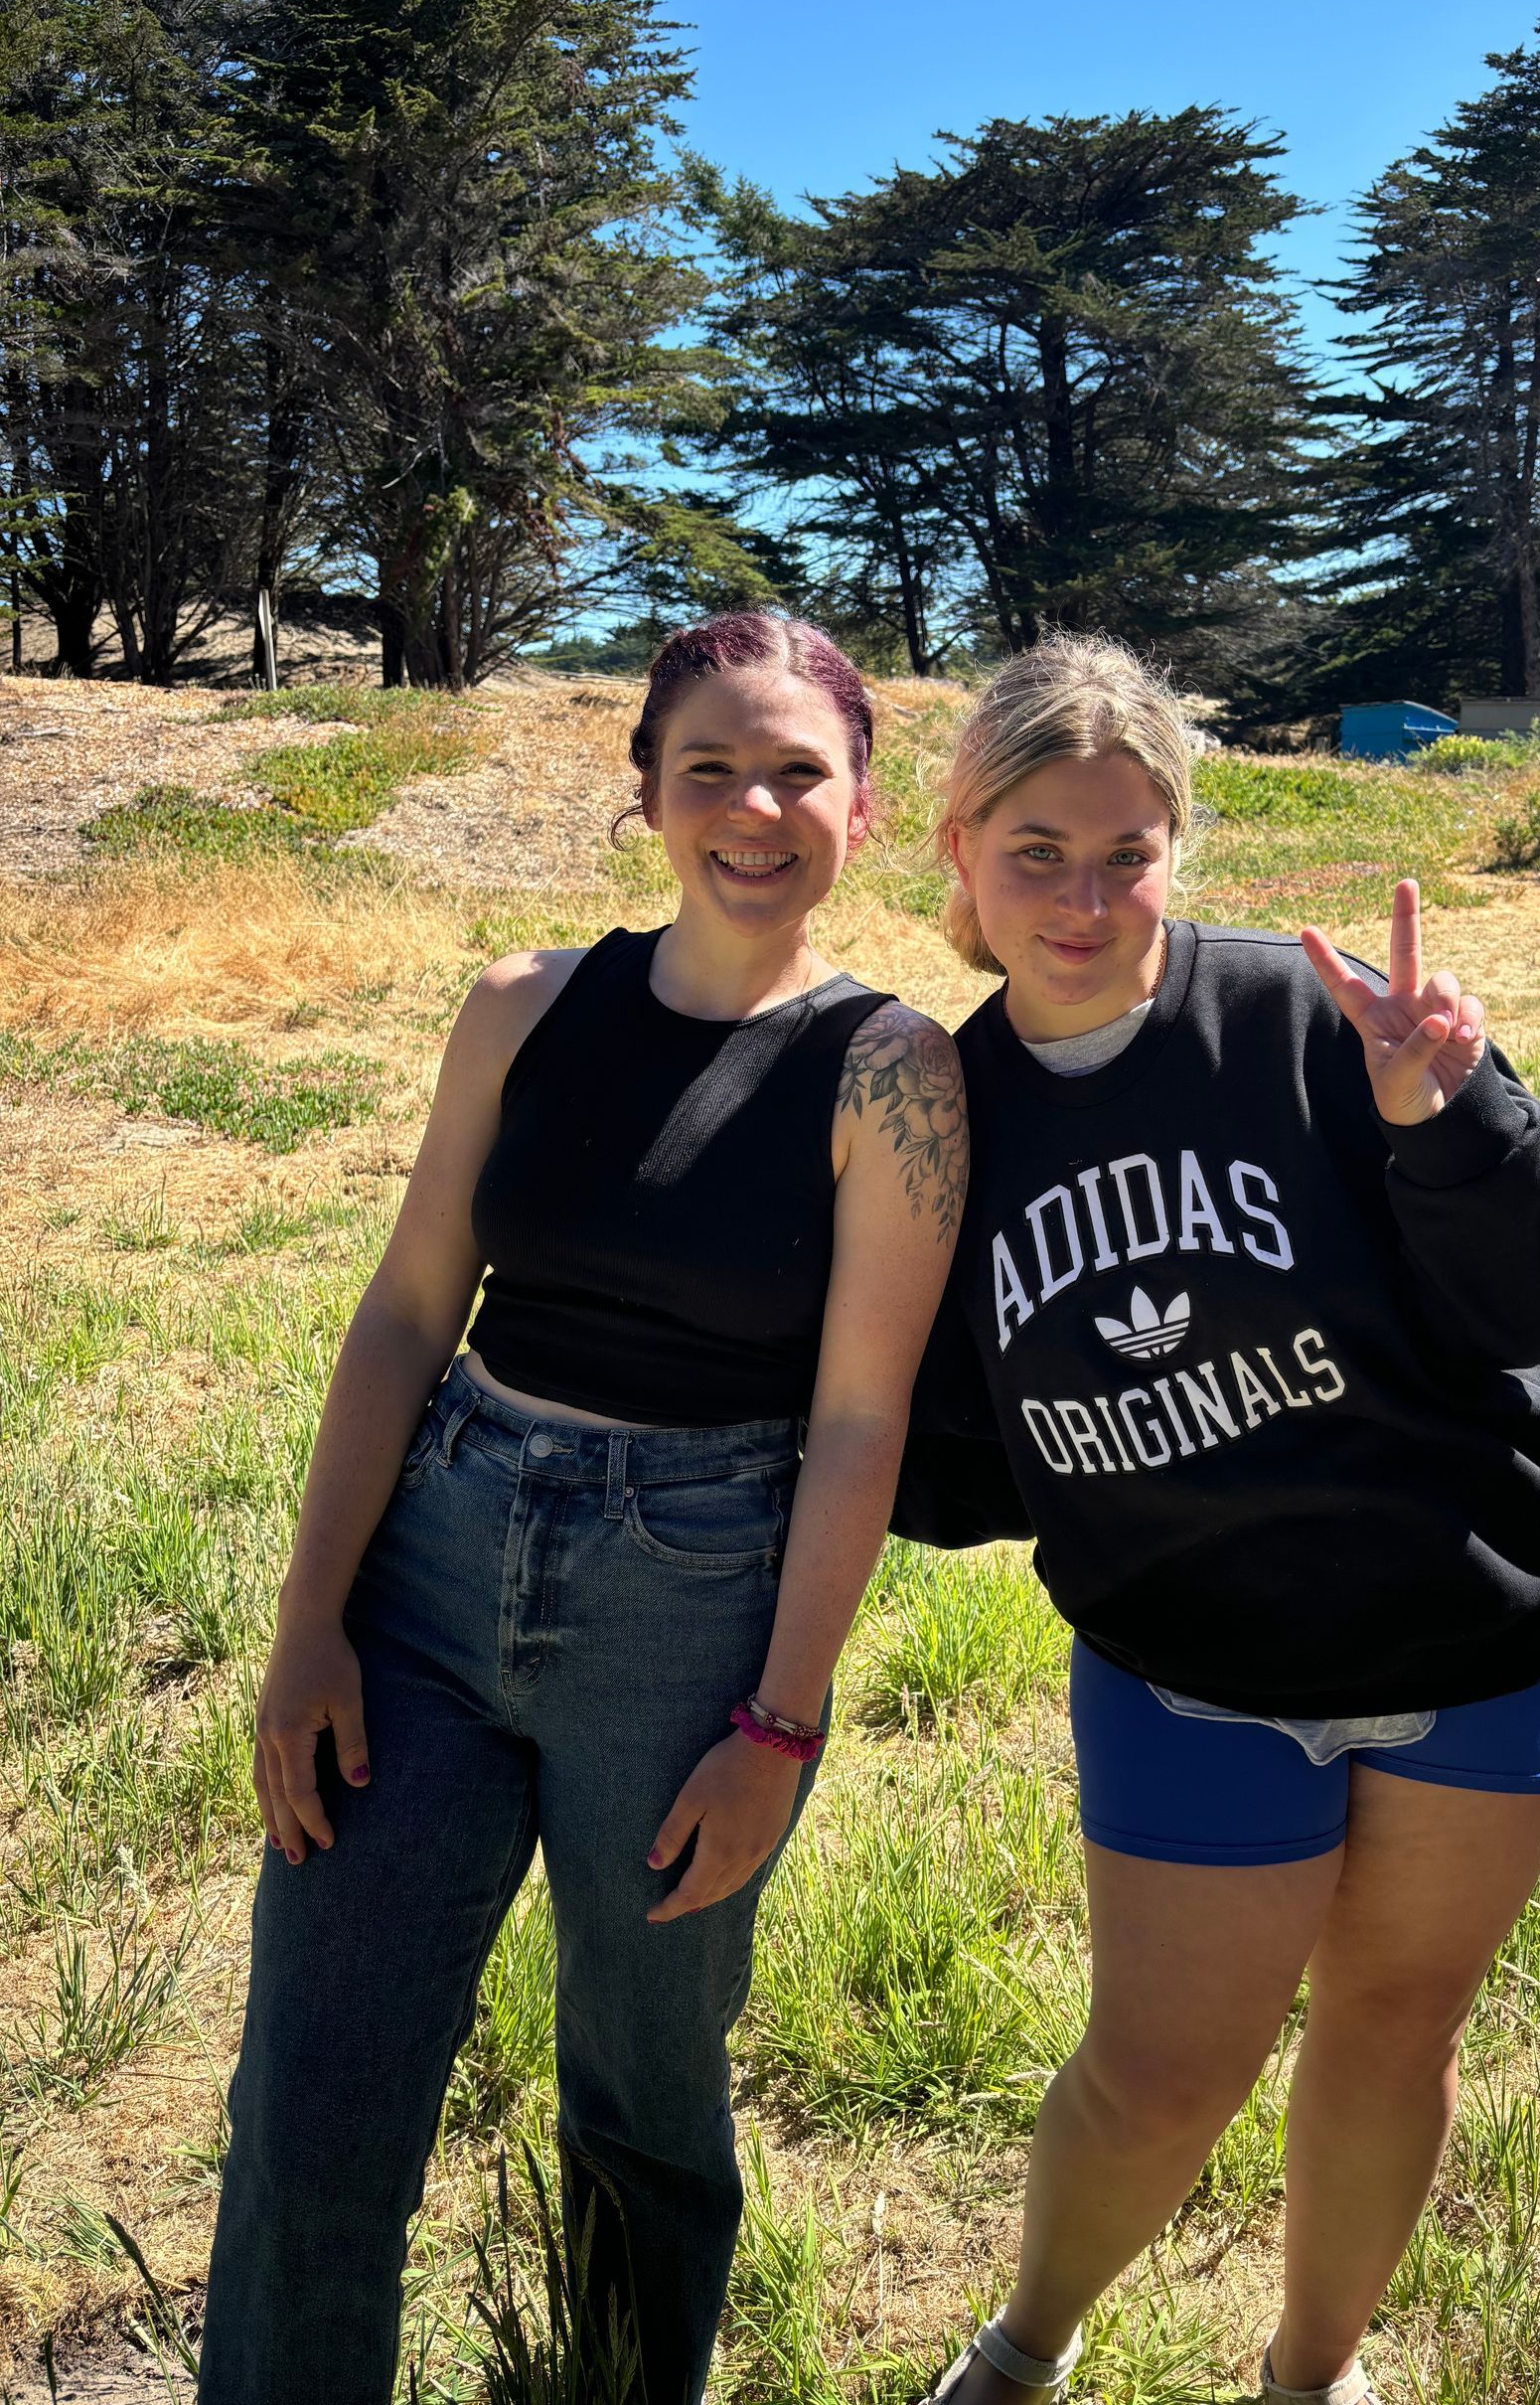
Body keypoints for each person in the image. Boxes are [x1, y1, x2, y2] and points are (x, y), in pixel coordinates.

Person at [199, 612, 967, 2405]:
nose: (754, 805)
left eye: (799, 769)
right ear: (644, 792)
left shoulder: (890, 1072)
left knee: (647, 2104)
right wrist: (309, 1620)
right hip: (430, 1575)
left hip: (692, 1610)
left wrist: (781, 1721)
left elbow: (858, 1422)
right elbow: (406, 1311)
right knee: (317, 2091)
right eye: (708, 765)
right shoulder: (524, 1008)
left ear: (863, 802)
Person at [895, 636, 1540, 2405]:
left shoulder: (1318, 1018)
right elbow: (954, 1456)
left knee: (1393, 2031)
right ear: (958, 850)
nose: (1085, 901)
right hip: (1196, 1661)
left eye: (1127, 854)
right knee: (1158, 2074)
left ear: (1179, 848)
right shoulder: (932, 1105)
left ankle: (1312, 2382)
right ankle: (1024, 2350)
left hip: (1488, 1627)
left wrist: (1447, 1119)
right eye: (1038, 855)